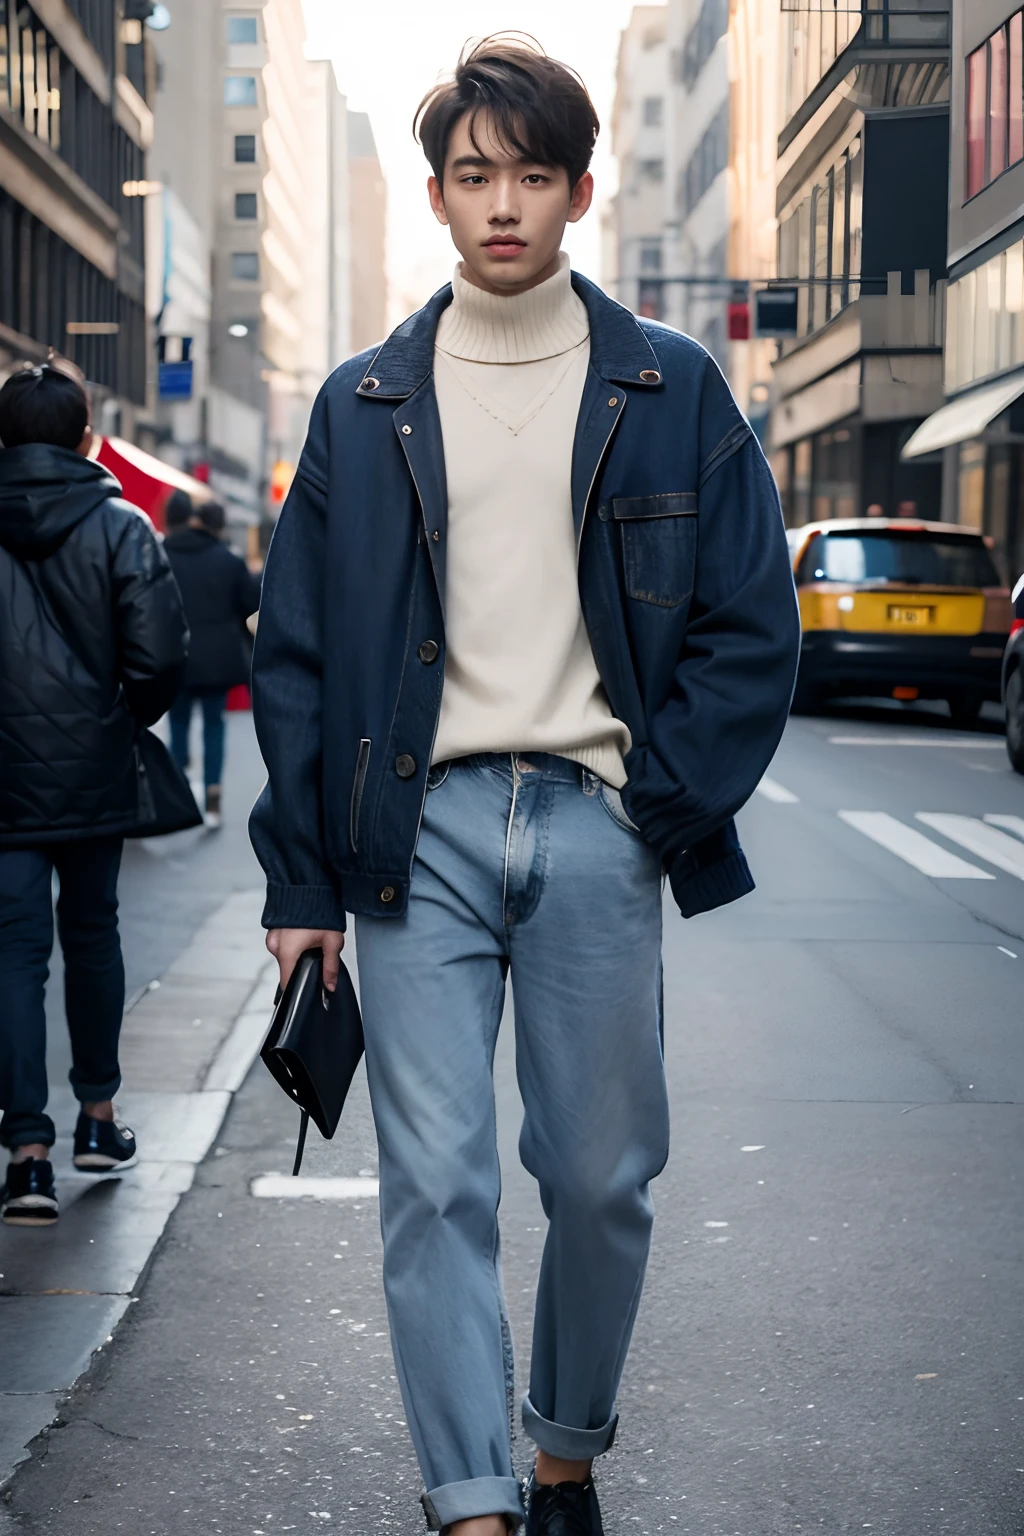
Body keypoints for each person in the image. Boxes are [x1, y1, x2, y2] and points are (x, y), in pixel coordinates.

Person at [250, 36, 800, 1536]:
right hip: (412, 836)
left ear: (577, 191)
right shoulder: (365, 404)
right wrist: (300, 886)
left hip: (595, 822)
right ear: (436, 196)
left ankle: (562, 1454)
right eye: (476, 176)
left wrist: (658, 801)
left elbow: (755, 625)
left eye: (533, 175)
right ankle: (476, 1502)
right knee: (435, 1184)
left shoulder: (668, 385)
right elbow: (294, 654)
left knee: (605, 1178)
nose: (504, 204)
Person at [0, 362, 188, 1226]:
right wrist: (114, 716)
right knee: (92, 935)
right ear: (87, 436)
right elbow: (157, 663)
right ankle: (97, 1119)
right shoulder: (121, 527)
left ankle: (26, 1155)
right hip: (92, 768)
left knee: (12, 953)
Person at [163, 492, 261, 829]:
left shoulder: (163, 554)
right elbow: (250, 610)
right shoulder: (229, 562)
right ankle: (213, 802)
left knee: (178, 724)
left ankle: (176, 798)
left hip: (175, 656)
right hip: (218, 659)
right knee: (214, 727)